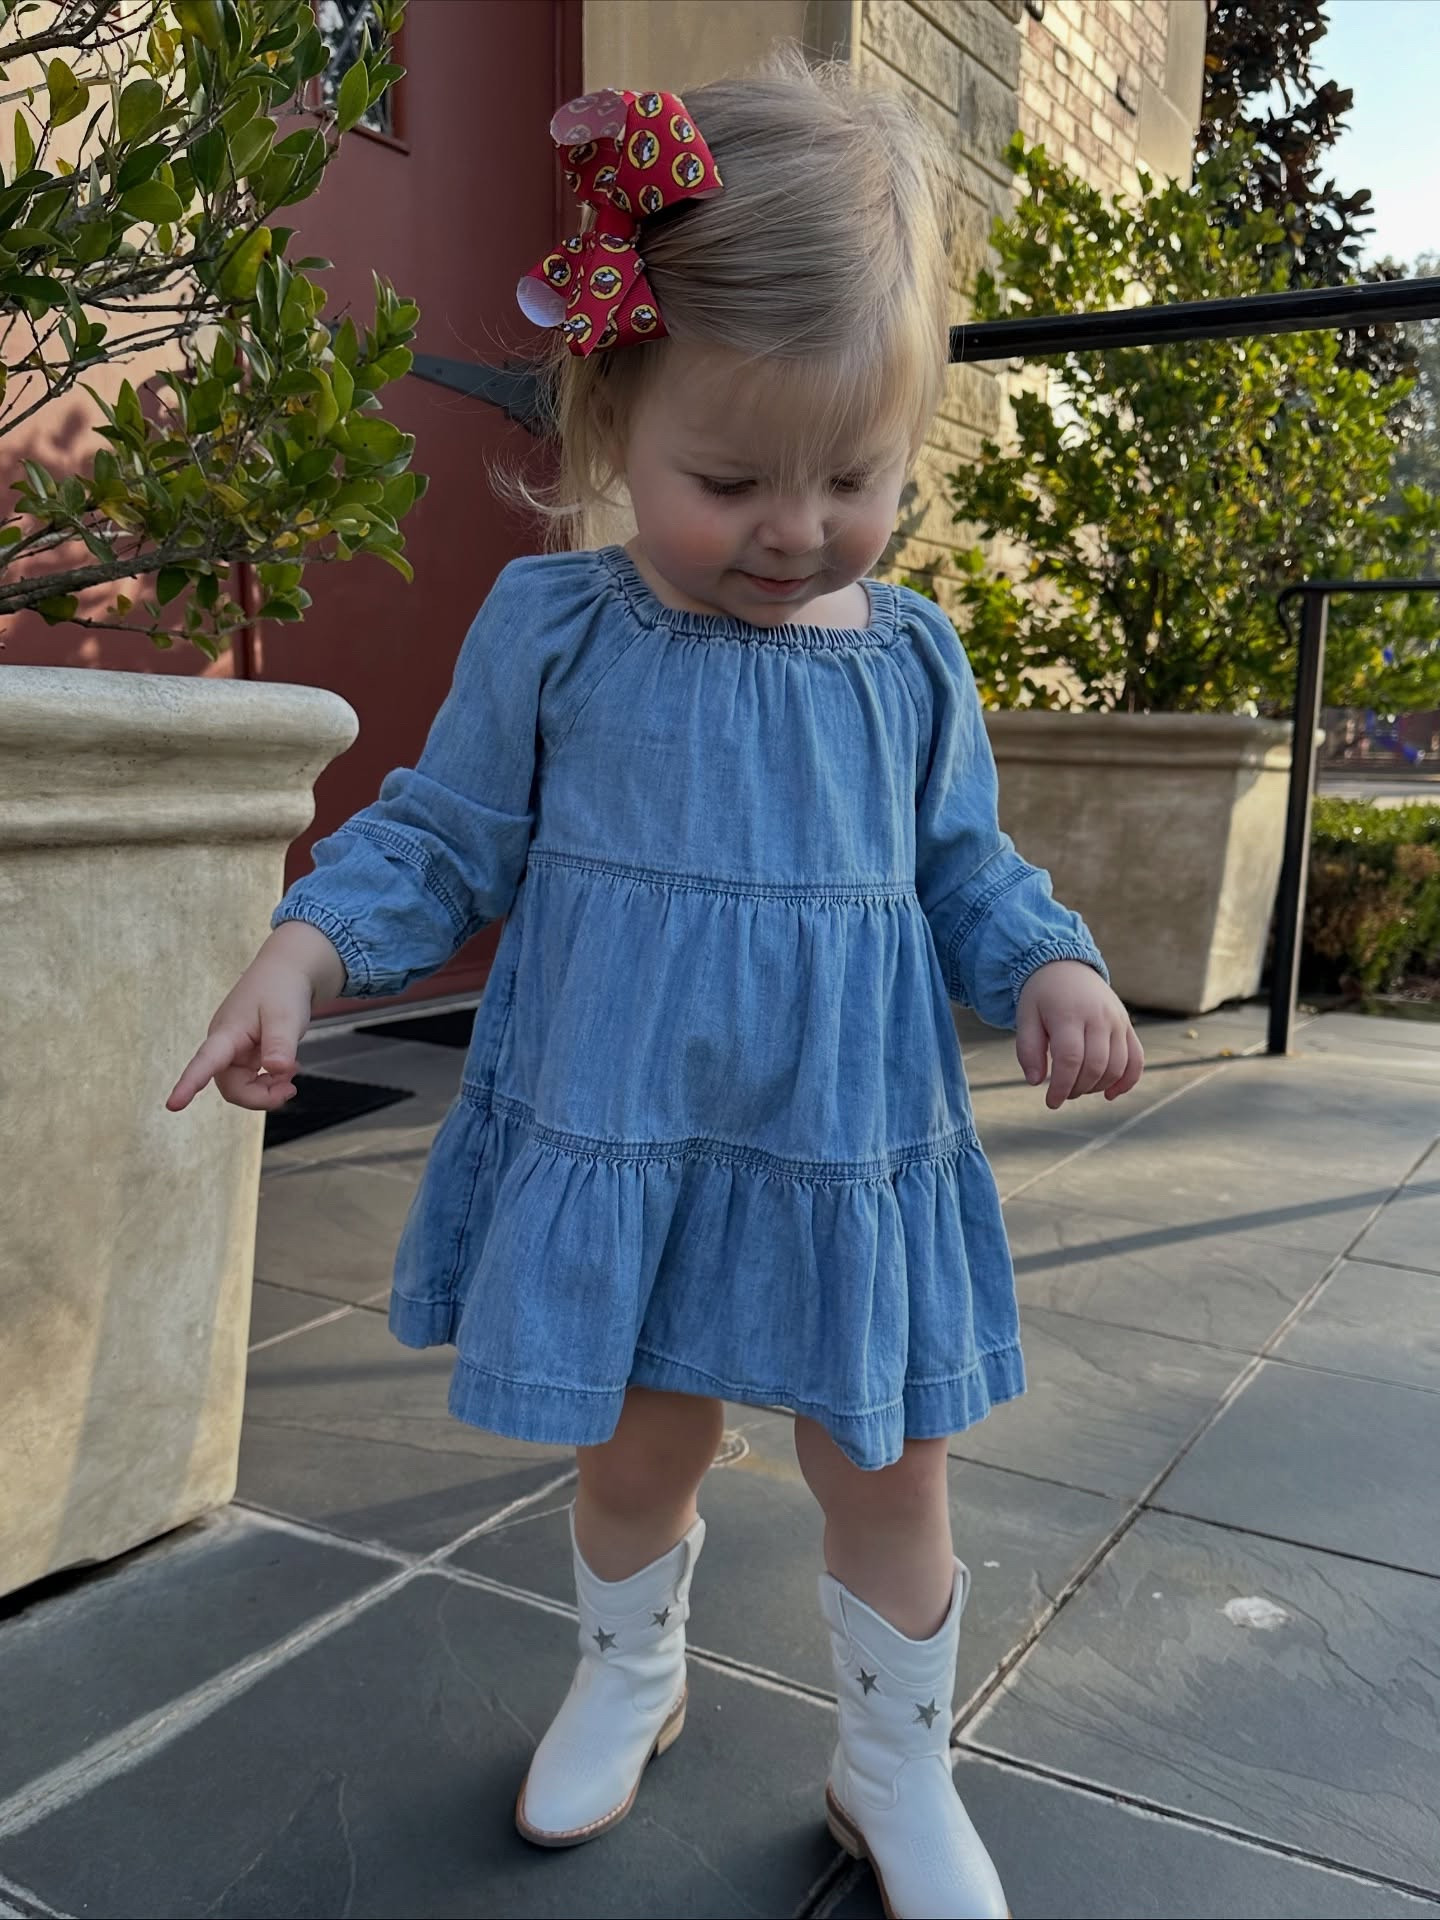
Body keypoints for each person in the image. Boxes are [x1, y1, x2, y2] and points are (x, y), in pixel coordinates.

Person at [170, 56, 1143, 1920]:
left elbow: (964, 868)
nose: (795, 530)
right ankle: (631, 1670)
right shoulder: (559, 628)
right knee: (636, 1460)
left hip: (841, 1145)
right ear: (615, 412)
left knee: (891, 1474)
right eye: (730, 479)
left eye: (853, 480)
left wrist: (1052, 964)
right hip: (629, 1131)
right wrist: (309, 946)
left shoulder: (909, 664)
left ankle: (891, 1763)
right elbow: (445, 834)